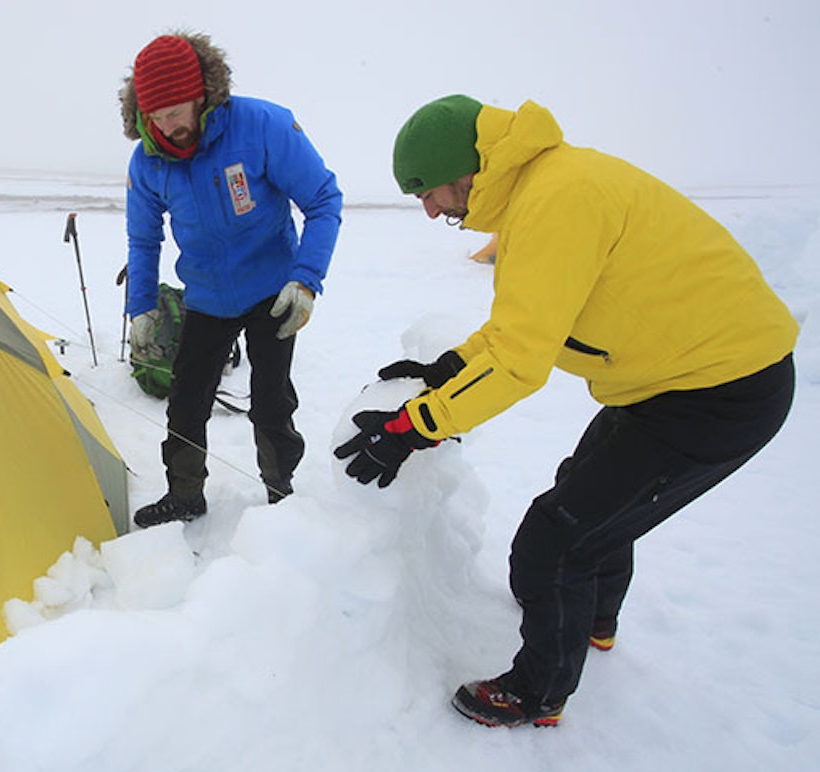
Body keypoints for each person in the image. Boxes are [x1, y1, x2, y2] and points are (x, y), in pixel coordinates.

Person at [334, 95, 797, 727]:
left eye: (429, 191)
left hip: (716, 390)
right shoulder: (545, 189)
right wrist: (450, 368)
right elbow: (523, 324)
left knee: (554, 541)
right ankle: (592, 620)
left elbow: (522, 360)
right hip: (674, 380)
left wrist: (415, 426)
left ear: (464, 168)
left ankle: (537, 692)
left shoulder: (557, 200)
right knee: (591, 497)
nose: (429, 208)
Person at [120, 32, 343, 527]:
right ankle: (184, 495)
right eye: (153, 117)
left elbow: (324, 200)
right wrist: (141, 306)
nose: (165, 127)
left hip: (273, 290)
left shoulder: (262, 125)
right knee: (185, 402)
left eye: (175, 112)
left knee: (271, 402)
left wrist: (306, 280)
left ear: (203, 92)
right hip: (206, 296)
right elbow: (143, 240)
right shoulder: (148, 160)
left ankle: (281, 495)